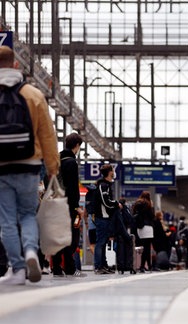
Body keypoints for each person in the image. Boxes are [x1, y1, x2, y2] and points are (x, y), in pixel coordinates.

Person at [0, 45, 59, 285]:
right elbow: (47, 134)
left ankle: (18, 268)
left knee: (6, 218)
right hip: (30, 165)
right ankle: (32, 251)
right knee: (27, 214)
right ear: (16, 65)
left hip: (2, 167)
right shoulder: (33, 94)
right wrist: (53, 167)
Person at [52, 132, 85, 277]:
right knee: (72, 236)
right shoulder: (71, 162)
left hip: (55, 202)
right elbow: (72, 187)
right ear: (77, 146)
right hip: (67, 205)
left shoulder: (57, 159)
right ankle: (70, 268)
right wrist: (76, 206)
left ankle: (57, 268)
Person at [93, 164, 121, 274]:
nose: (114, 172)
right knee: (100, 242)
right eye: (113, 170)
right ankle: (98, 266)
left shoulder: (107, 185)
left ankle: (103, 265)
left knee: (104, 242)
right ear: (109, 172)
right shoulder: (103, 186)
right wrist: (116, 203)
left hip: (105, 218)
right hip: (102, 217)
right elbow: (106, 202)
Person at [132, 191, 155, 272]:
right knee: (147, 248)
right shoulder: (148, 204)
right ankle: (144, 266)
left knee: (143, 247)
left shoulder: (137, 204)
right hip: (148, 227)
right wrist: (152, 207)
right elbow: (152, 216)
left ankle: (147, 265)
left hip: (140, 227)